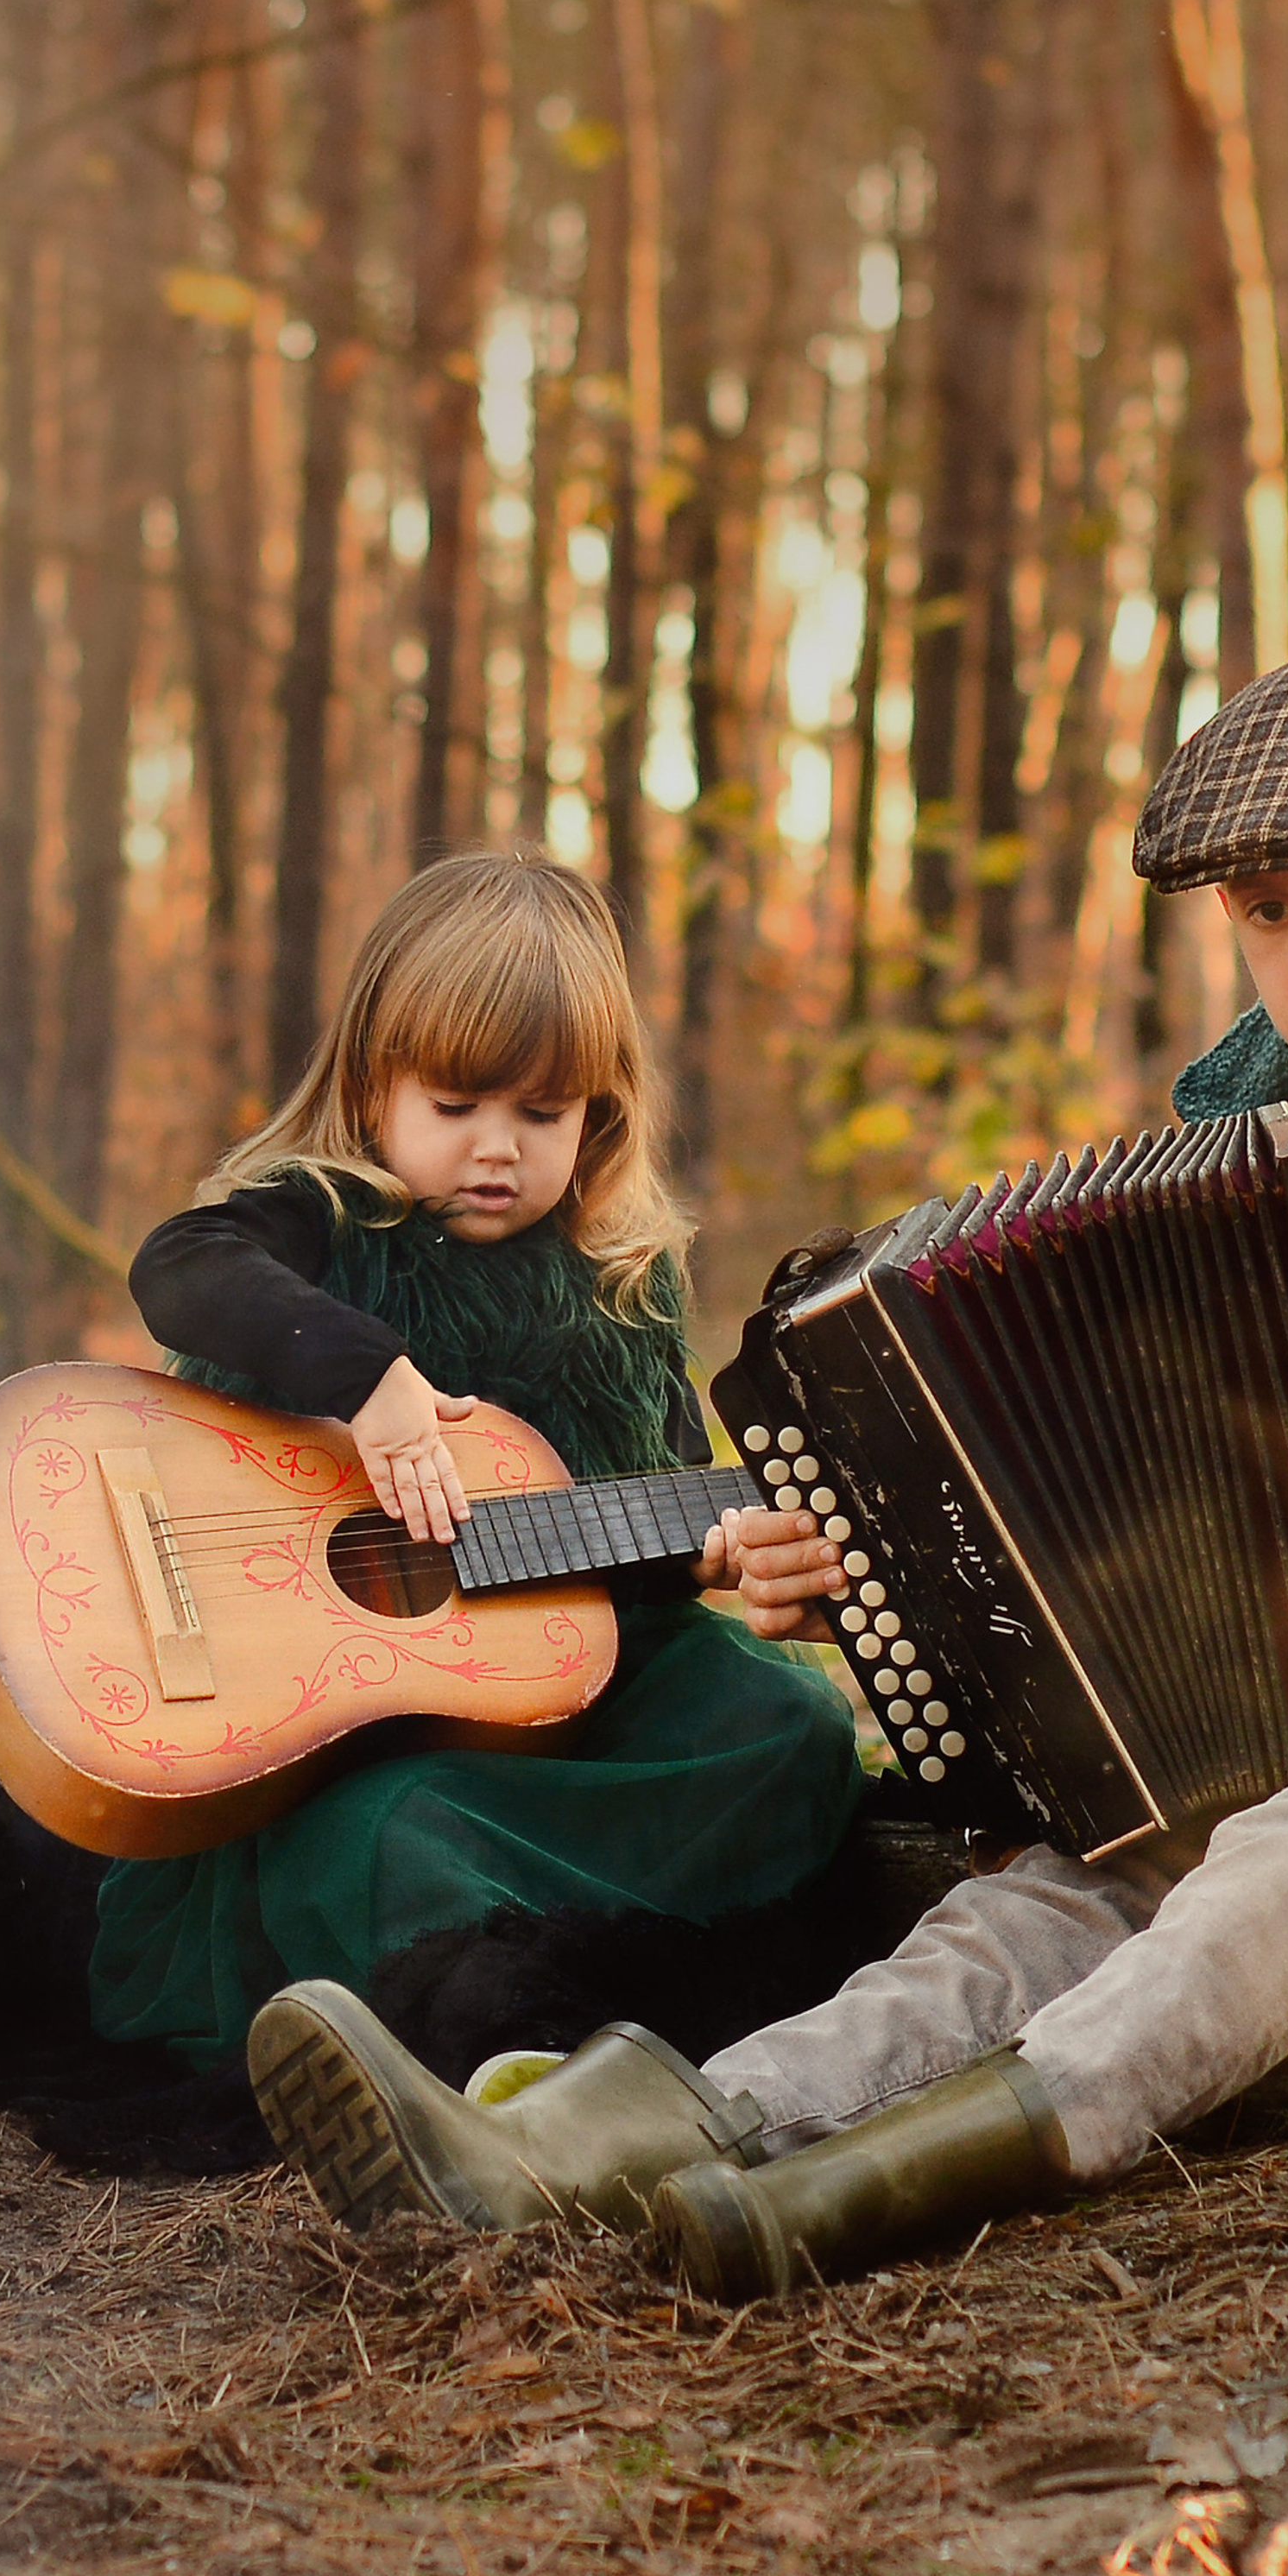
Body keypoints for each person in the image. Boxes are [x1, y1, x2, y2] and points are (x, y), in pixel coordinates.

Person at [244, 642, 1288, 2294]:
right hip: (1261, 1788)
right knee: (1035, 1907)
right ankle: (594, 2149)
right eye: (1269, 913)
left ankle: (857, 2195)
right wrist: (942, 1633)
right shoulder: (1232, 1173)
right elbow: (1138, 1555)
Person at [88, 852, 866, 2066]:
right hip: (356, 1731)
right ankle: (487, 2011)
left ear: (598, 1114)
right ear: (373, 1088)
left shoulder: (621, 1277)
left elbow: (637, 1532)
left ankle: (567, 1976)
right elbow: (178, 1268)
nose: (494, 1149)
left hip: (561, 1705)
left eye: (540, 1114)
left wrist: (721, 1555)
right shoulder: (329, 1219)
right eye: (454, 1108)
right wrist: (370, 1380)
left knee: (790, 1729)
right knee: (389, 1832)